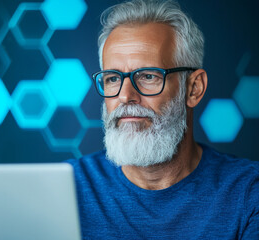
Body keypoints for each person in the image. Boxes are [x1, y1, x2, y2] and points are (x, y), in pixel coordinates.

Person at [66, 0, 259, 239]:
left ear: (193, 89)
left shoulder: (249, 192)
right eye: (113, 79)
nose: (125, 96)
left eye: (148, 76)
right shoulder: (66, 188)